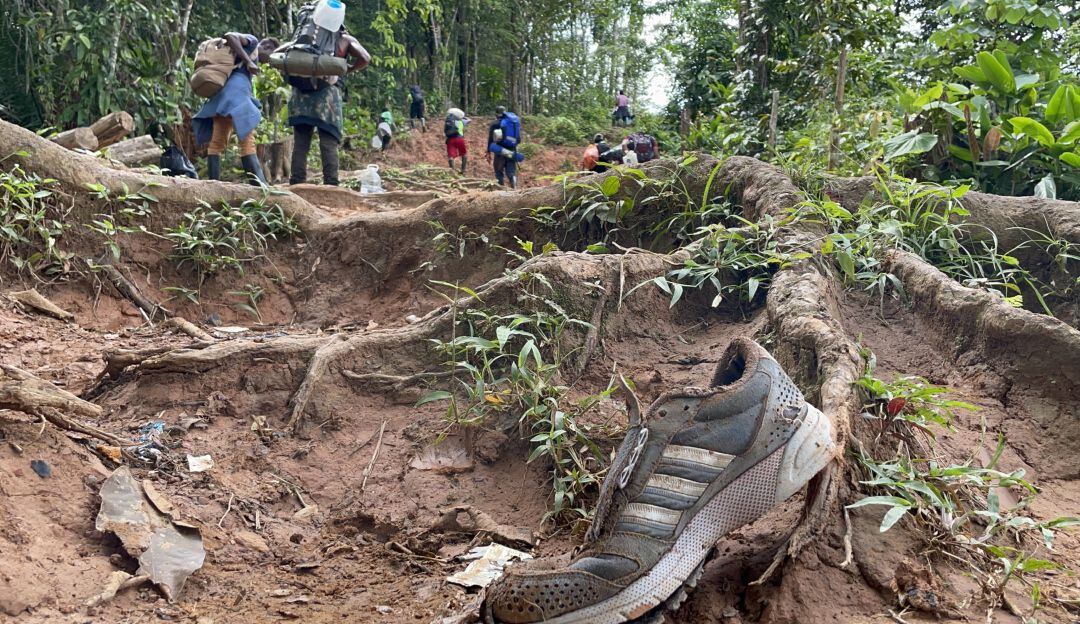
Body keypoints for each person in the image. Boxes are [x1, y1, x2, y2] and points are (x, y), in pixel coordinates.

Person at [287, 30, 370, 186]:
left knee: (301, 143)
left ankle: (297, 183)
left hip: (300, 95)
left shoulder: (304, 36)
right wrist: (347, 69)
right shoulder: (343, 38)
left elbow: (281, 54)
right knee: (328, 142)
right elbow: (365, 58)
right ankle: (331, 185)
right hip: (327, 95)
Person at [192, 34, 278, 184]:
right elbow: (230, 36)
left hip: (222, 97)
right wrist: (249, 61)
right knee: (247, 141)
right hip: (236, 96)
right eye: (271, 55)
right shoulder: (252, 42)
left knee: (217, 142)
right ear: (268, 47)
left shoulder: (243, 52)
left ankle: (214, 185)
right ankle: (260, 187)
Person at [486, 105, 521, 188]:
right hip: (511, 150)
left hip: (500, 150)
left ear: (496, 114)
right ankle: (514, 186)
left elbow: (491, 139)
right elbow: (518, 139)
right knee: (511, 171)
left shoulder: (494, 124)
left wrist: (488, 151)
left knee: (498, 171)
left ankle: (501, 189)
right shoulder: (513, 122)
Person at [445, 107, 468, 174]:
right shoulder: (460, 121)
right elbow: (468, 120)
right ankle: (463, 171)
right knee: (464, 154)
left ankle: (452, 172)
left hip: (450, 140)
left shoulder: (448, 121)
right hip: (460, 139)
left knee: (451, 156)